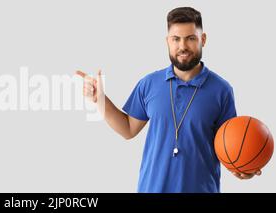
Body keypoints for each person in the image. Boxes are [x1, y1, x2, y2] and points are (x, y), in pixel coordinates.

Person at [76, 7, 261, 193]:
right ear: (167, 41)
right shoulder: (149, 83)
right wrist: (100, 99)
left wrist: (244, 167)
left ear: (202, 39)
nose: (183, 46)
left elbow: (231, 145)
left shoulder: (222, 90)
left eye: (190, 38)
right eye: (176, 39)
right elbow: (128, 129)